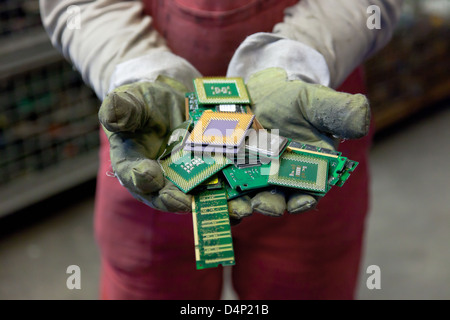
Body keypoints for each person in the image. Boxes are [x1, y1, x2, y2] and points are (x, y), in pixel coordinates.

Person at [40, 0, 403, 299]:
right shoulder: (146, 125)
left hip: (306, 119)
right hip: (149, 135)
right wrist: (140, 73)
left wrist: (297, 63)